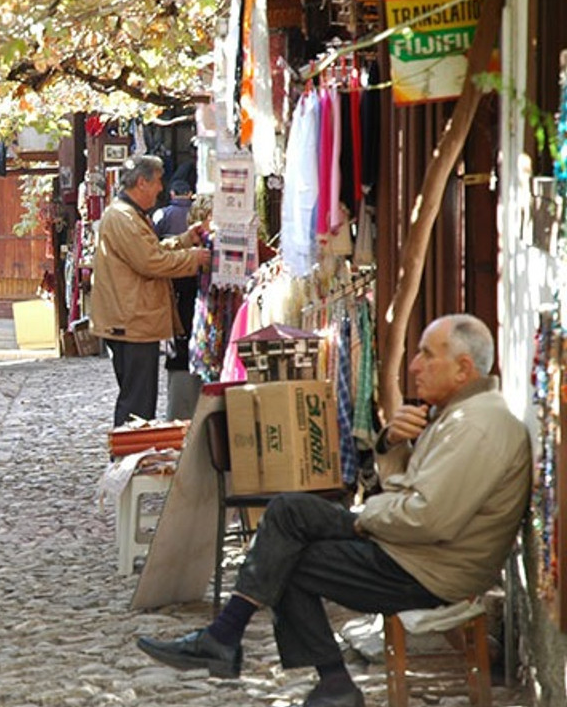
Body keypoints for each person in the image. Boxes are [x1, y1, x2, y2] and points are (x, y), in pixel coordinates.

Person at [134, 314, 532, 707]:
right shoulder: (460, 416)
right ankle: (246, 647)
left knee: (284, 548)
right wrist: (391, 442)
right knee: (287, 518)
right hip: (416, 550)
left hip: (430, 569)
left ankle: (253, 649)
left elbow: (428, 519)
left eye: (427, 355)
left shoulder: (476, 425)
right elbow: (410, 489)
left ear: (463, 369)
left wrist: (364, 520)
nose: (414, 366)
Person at [89, 155, 210, 426]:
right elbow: (150, 262)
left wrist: (184, 240)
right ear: (141, 182)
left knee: (139, 399)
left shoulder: (130, 215)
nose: (160, 188)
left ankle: (132, 456)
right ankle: (128, 460)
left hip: (133, 320)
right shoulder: (123, 217)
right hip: (130, 322)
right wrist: (194, 258)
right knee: (137, 404)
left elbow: (150, 252)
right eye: (156, 181)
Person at [153, 185, 205, 420]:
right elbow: (151, 257)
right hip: (185, 341)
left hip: (181, 341)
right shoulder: (192, 257)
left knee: (181, 406)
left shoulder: (161, 215)